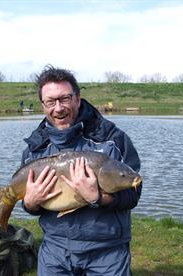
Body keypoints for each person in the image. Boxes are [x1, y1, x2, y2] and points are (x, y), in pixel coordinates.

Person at [21, 65, 142, 276]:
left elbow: (134, 192)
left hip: (107, 250)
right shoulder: (35, 148)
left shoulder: (112, 139)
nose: (58, 108)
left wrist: (98, 198)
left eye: (65, 99)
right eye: (50, 101)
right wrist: (30, 204)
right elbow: (31, 205)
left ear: (77, 98)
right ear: (43, 105)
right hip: (55, 249)